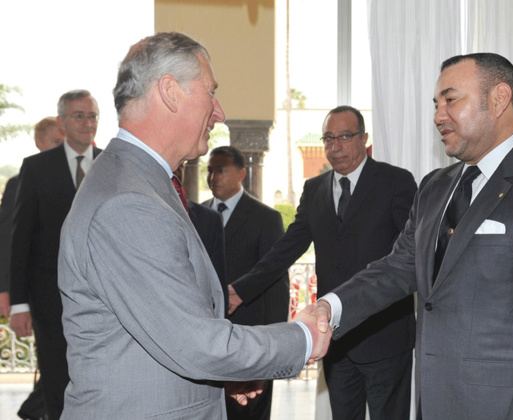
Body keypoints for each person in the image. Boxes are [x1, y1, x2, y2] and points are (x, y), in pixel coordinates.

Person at [311, 53, 513, 419]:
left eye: (451, 100)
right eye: (436, 104)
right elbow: (399, 266)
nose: (437, 115)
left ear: (498, 99)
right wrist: (330, 307)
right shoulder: (435, 186)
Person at [57, 32, 329, 419]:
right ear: (170, 92)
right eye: (210, 93)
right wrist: (302, 337)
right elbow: (196, 344)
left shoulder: (143, 182)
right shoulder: (128, 202)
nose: (218, 112)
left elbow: (162, 332)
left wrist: (224, 374)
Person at [234, 105, 417, 420]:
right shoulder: (314, 188)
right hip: (335, 337)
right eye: (329, 138)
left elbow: (412, 255)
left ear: (364, 138)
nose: (336, 146)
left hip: (386, 337)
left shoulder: (396, 182)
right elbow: (287, 248)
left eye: (345, 136)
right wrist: (239, 290)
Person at [9, 93, 101, 420]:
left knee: (101, 381)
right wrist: (19, 303)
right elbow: (21, 240)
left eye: (92, 116)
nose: (87, 123)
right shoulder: (36, 169)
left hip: (106, 302)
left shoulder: (111, 165)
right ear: (61, 122)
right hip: (50, 300)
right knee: (57, 381)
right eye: (79, 116)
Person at [201, 145, 289, 420]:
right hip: (206, 337)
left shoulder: (266, 218)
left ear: (241, 173)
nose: (213, 176)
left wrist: (272, 345)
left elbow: (276, 284)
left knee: (249, 412)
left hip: (251, 339)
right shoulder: (197, 215)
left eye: (221, 170)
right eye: (210, 170)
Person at [0, 117, 63, 420]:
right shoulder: (20, 182)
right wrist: (8, 292)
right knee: (53, 364)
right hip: (41, 293)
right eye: (55, 143)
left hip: (73, 293)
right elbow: (8, 242)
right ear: (39, 143)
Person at [173, 162, 228, 310]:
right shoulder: (138, 211)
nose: (176, 170)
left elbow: (218, 281)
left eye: (180, 164)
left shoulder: (209, 218)